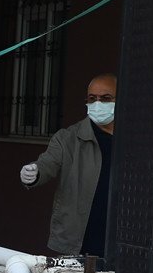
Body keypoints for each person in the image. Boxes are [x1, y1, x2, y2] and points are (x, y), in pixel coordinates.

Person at [20, 73, 117, 256]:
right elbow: (48, 163)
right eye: (92, 98)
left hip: (122, 239)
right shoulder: (68, 138)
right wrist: (34, 173)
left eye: (105, 98)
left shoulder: (136, 140)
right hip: (78, 240)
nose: (98, 104)